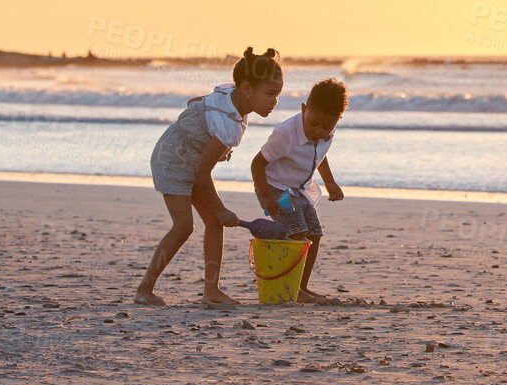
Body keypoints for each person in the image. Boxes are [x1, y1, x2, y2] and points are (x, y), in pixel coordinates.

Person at [134, 48, 285, 307]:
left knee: (214, 223)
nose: (274, 102)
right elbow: (202, 173)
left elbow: (195, 102)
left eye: (277, 95)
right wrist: (221, 208)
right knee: (184, 226)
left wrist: (213, 147)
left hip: (190, 157)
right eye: (270, 94)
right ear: (247, 89)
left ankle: (211, 292)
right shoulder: (229, 125)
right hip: (171, 159)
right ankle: (144, 288)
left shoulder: (229, 94)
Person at [252, 77, 348, 303]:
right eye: (313, 124)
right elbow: (257, 163)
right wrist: (266, 195)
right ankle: (292, 287)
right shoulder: (286, 134)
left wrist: (330, 182)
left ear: (337, 121)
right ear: (304, 109)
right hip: (273, 188)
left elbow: (319, 156)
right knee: (298, 232)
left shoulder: (326, 134)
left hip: (298, 189)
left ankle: (301, 287)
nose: (318, 131)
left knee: (314, 233)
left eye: (326, 127)